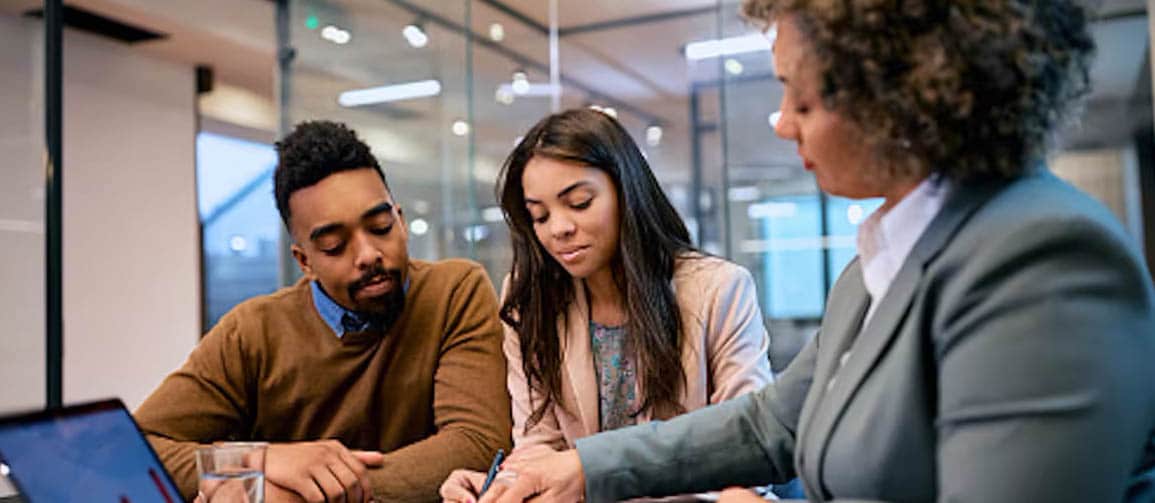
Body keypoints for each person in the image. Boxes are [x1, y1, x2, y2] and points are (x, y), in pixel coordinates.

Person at [478, 1, 1155, 502]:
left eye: (798, 93)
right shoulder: (873, 269)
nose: (779, 120)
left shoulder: (1042, 259)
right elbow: (771, 421)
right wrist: (582, 466)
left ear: (900, 95)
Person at [135, 120, 512, 503]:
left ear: (400, 220)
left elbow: (476, 443)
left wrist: (295, 496)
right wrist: (261, 461)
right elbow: (135, 452)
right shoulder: (252, 332)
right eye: (334, 245)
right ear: (304, 261)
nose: (368, 255)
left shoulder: (454, 292)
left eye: (381, 227)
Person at [439, 109, 774, 502]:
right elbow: (538, 443)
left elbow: (749, 448)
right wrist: (504, 485)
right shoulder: (530, 302)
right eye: (540, 216)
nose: (559, 228)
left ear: (625, 191)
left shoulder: (718, 289)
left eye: (579, 203)